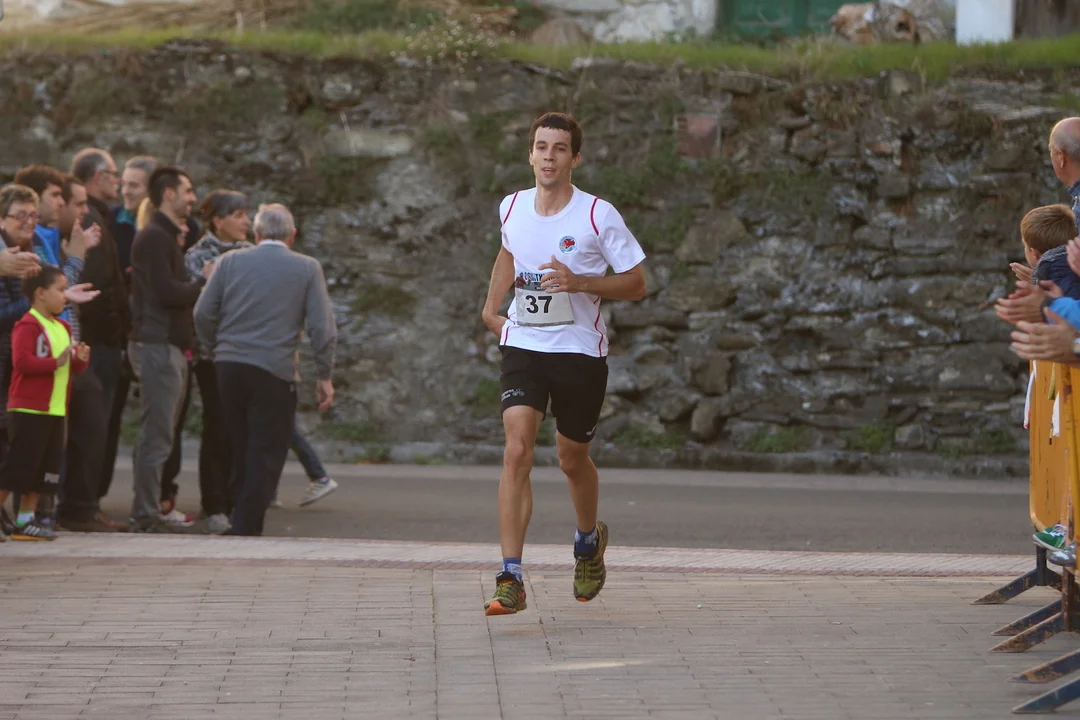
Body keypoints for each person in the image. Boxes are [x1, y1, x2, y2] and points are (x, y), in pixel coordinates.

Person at [479, 112, 647, 615]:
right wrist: (490, 308)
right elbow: (508, 252)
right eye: (541, 147)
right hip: (525, 344)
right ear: (530, 154)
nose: (548, 156)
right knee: (516, 450)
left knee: (572, 459)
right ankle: (510, 576)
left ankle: (587, 541)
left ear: (575, 158)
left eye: (559, 149)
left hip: (578, 351)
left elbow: (637, 284)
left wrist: (580, 283)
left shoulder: (596, 215)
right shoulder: (511, 206)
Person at [193, 203, 337, 537]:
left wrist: (216, 347)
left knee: (237, 443)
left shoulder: (229, 262)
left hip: (229, 366)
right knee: (266, 450)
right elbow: (323, 328)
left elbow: (202, 313)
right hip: (274, 368)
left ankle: (235, 514)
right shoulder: (307, 268)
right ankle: (245, 526)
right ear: (293, 235)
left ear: (256, 234)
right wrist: (324, 375)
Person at [128, 167, 207, 533]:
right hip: (157, 345)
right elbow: (167, 293)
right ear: (169, 194)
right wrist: (203, 281)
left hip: (166, 345)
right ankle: (145, 514)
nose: (193, 199)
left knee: (160, 433)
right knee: (157, 435)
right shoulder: (155, 238)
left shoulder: (162, 237)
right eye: (188, 191)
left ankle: (148, 510)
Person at [0, 265, 91, 540]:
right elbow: (22, 362)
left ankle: (26, 520)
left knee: (44, 470)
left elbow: (69, 366)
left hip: (55, 408)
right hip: (30, 409)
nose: (65, 296)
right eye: (60, 290)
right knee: (20, 467)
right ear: (40, 293)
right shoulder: (27, 325)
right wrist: (55, 362)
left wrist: (79, 361)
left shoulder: (62, 326)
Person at [184, 190, 253, 534]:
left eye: (246, 215)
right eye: (238, 215)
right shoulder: (198, 256)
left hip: (249, 354)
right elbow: (200, 308)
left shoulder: (252, 254)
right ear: (218, 220)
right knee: (218, 426)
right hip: (212, 355)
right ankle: (214, 504)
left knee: (243, 429)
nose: (246, 222)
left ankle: (238, 498)